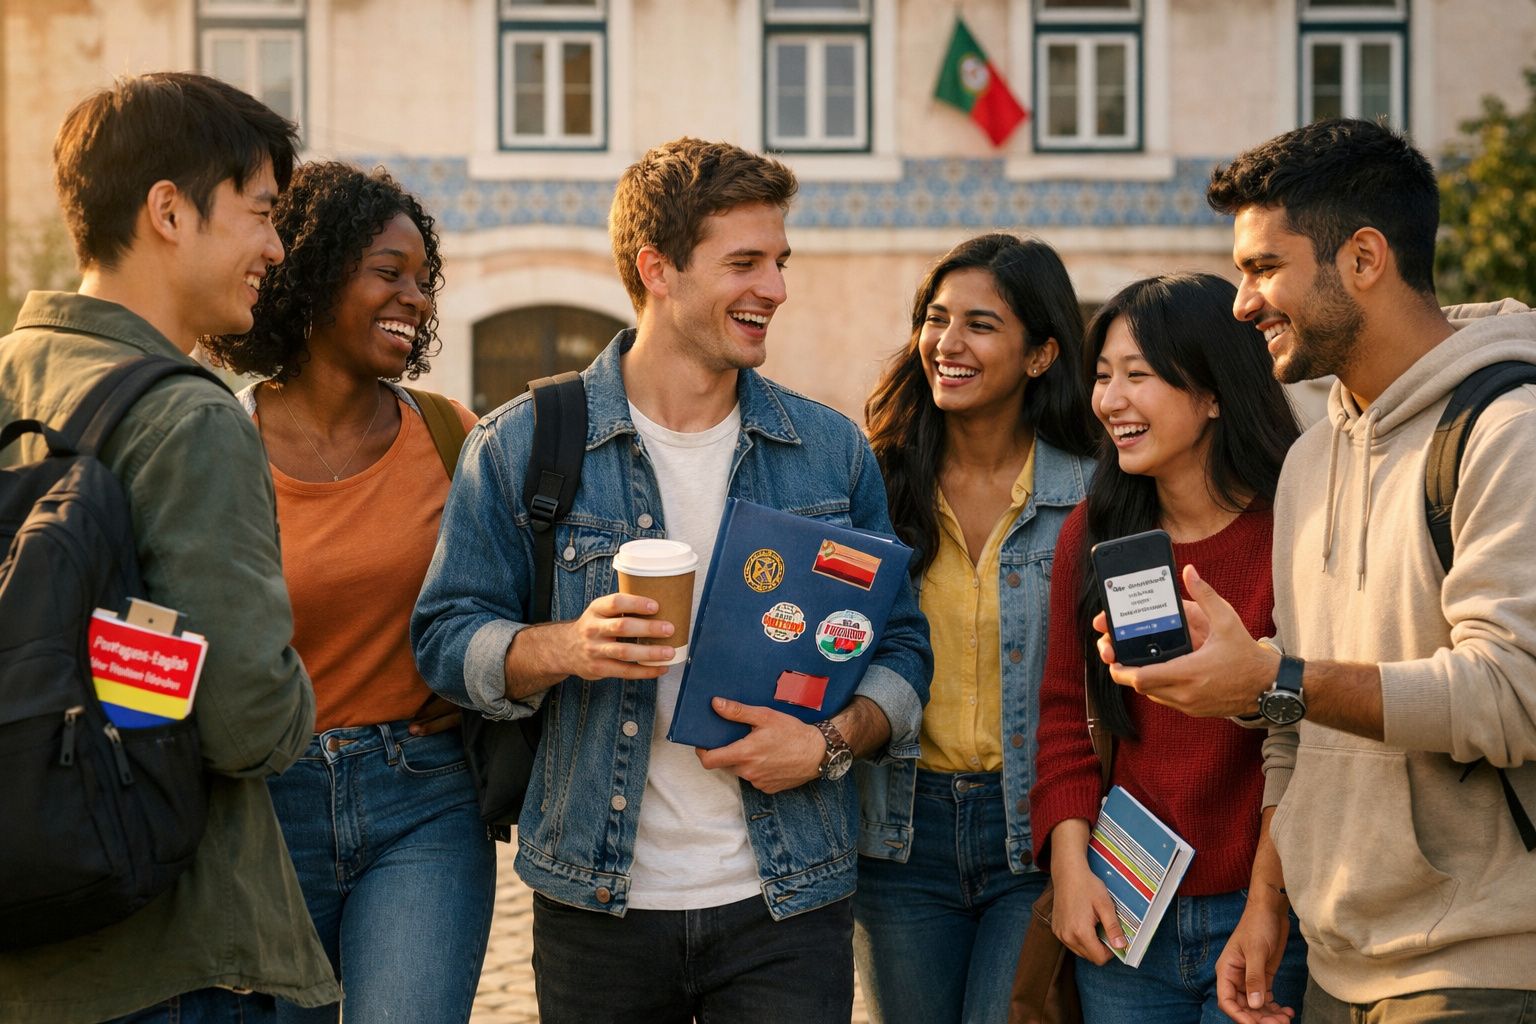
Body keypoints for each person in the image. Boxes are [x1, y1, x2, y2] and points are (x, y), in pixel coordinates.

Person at [411, 136, 932, 1023]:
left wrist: (831, 743)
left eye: (780, 261)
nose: (775, 287)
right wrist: (565, 646)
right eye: (744, 262)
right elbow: (446, 636)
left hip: (788, 901)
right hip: (595, 904)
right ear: (657, 267)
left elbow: (902, 645)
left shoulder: (829, 451)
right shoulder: (521, 444)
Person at [1096, 118, 1536, 1023]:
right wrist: (1267, 906)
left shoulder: (1507, 430)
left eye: (1264, 268)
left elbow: (1513, 695)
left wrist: (1271, 677)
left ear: (1364, 257)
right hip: (1334, 967)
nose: (1241, 302)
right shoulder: (1308, 460)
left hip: (1478, 966)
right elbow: (1292, 725)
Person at [0, 73, 337, 1022]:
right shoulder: (185, 416)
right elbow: (244, 718)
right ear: (168, 212)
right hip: (177, 952)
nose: (276, 247)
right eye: (262, 213)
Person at [201, 161, 494, 1024]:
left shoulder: (452, 435)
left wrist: (468, 681)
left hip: (425, 802)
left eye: (424, 280)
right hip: (261, 812)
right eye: (389, 273)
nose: (419, 299)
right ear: (313, 274)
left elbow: (498, 602)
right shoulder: (218, 439)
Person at [1030, 272, 1307, 1024]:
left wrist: (1265, 906)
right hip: (1125, 909)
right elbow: (1061, 715)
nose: (1109, 400)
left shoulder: (1295, 529)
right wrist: (1070, 865)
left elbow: (1310, 737)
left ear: (1214, 391)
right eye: (1103, 376)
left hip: (1267, 913)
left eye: (1138, 376)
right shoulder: (1091, 534)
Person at [854, 233, 1096, 1024]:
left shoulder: (1094, 495)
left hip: (1034, 832)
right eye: (935, 317)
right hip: (898, 832)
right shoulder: (875, 483)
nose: (947, 344)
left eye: (981, 324)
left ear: (1040, 354)